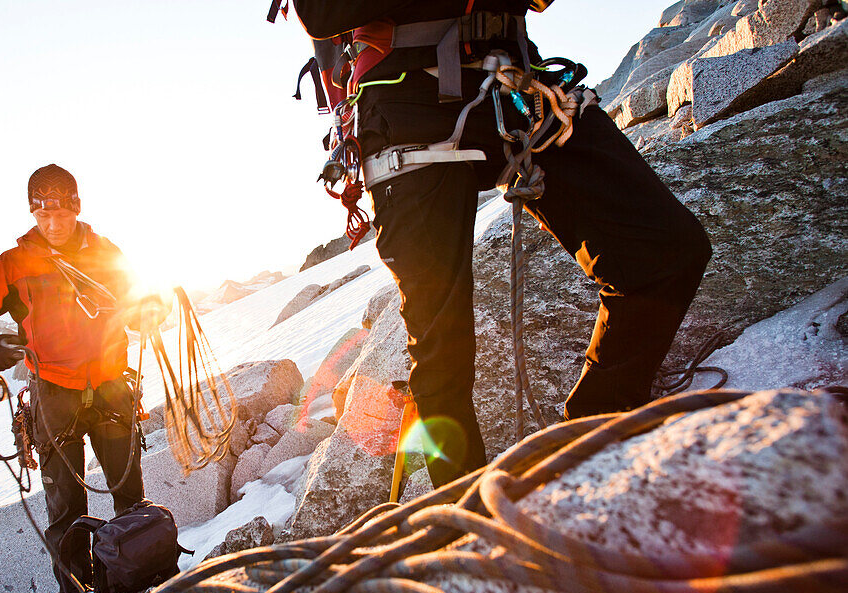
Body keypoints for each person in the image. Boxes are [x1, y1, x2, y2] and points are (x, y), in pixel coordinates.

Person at [291, 1, 711, 488]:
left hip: (513, 82)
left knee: (665, 252)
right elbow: (320, 12)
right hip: (404, 100)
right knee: (441, 354)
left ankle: (583, 460)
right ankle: (473, 527)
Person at [0, 163, 159, 593]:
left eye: (60, 214)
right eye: (43, 217)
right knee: (65, 508)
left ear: (76, 207)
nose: (53, 225)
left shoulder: (105, 254)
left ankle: (141, 578)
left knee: (128, 492)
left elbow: (139, 303)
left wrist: (151, 310)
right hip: (54, 395)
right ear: (33, 214)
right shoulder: (13, 266)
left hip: (111, 386)